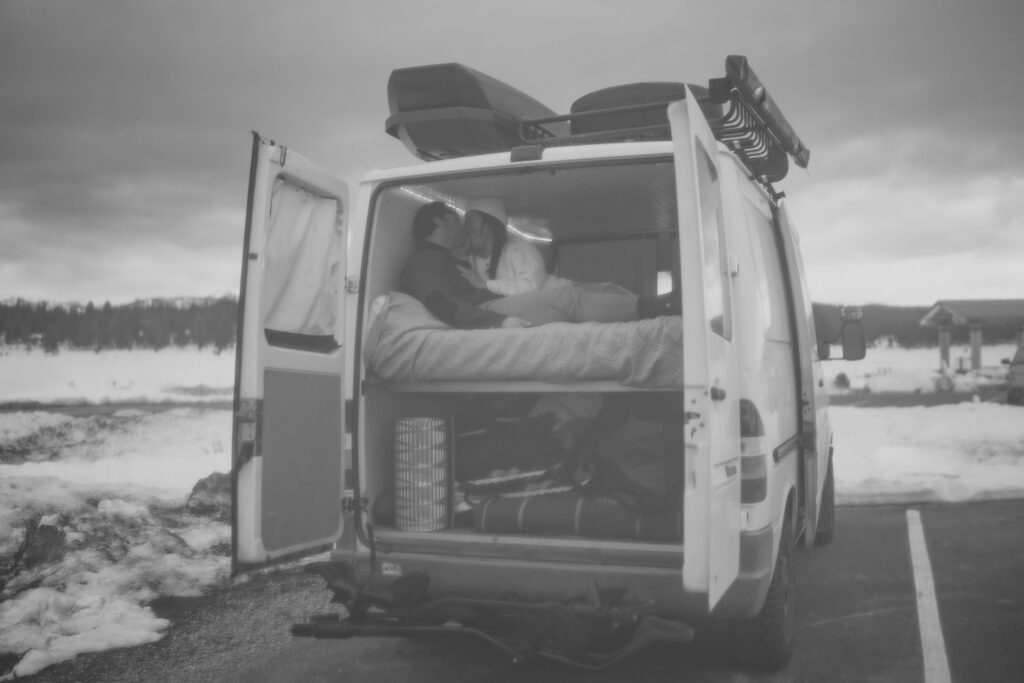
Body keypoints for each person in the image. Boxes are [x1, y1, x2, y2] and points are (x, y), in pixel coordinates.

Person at [399, 202, 678, 329]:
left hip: (490, 305)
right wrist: (498, 322)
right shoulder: (424, 262)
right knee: (568, 299)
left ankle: (652, 312)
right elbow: (444, 304)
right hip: (488, 309)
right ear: (437, 223)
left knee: (578, 306)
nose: (461, 227)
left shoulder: (444, 259)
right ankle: (657, 308)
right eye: (454, 219)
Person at [464, 198, 570, 294]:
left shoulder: (518, 248)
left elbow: (531, 287)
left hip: (569, 298)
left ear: (490, 223)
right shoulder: (471, 261)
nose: (467, 228)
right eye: (465, 223)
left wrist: (486, 286)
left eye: (471, 222)